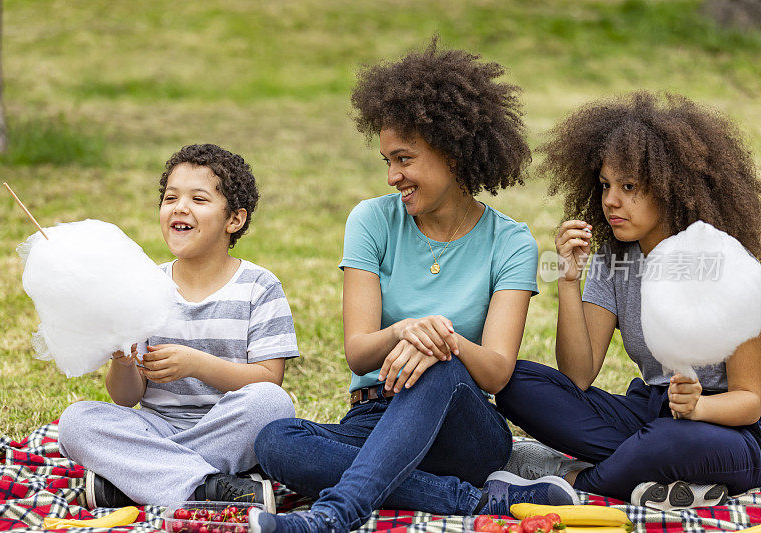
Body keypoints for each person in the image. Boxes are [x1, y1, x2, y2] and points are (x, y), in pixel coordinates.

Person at [248, 40, 579, 533]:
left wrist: (441, 340)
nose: (392, 176)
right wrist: (406, 330)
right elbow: (360, 354)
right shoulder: (371, 221)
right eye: (386, 160)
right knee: (276, 441)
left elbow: (493, 373)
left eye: (403, 159)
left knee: (439, 364)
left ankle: (333, 516)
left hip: (463, 427)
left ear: (451, 150)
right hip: (374, 415)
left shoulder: (511, 242)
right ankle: (478, 502)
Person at [495, 92, 761, 510]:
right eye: (605, 185)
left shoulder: (731, 266)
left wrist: (697, 409)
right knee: (515, 382)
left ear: (673, 188)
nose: (610, 201)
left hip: (726, 431)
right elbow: (578, 375)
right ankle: (654, 477)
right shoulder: (614, 258)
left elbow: (750, 402)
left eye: (629, 187)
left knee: (668, 440)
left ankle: (571, 478)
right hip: (648, 414)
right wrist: (568, 280)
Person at [57, 144, 299, 510]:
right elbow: (126, 399)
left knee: (272, 405)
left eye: (198, 199)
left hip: (229, 428)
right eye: (171, 198)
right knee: (76, 423)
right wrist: (123, 364)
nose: (180, 207)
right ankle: (208, 488)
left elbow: (269, 378)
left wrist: (196, 364)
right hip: (157, 428)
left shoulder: (259, 287)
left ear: (234, 219)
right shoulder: (144, 288)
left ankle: (136, 481)